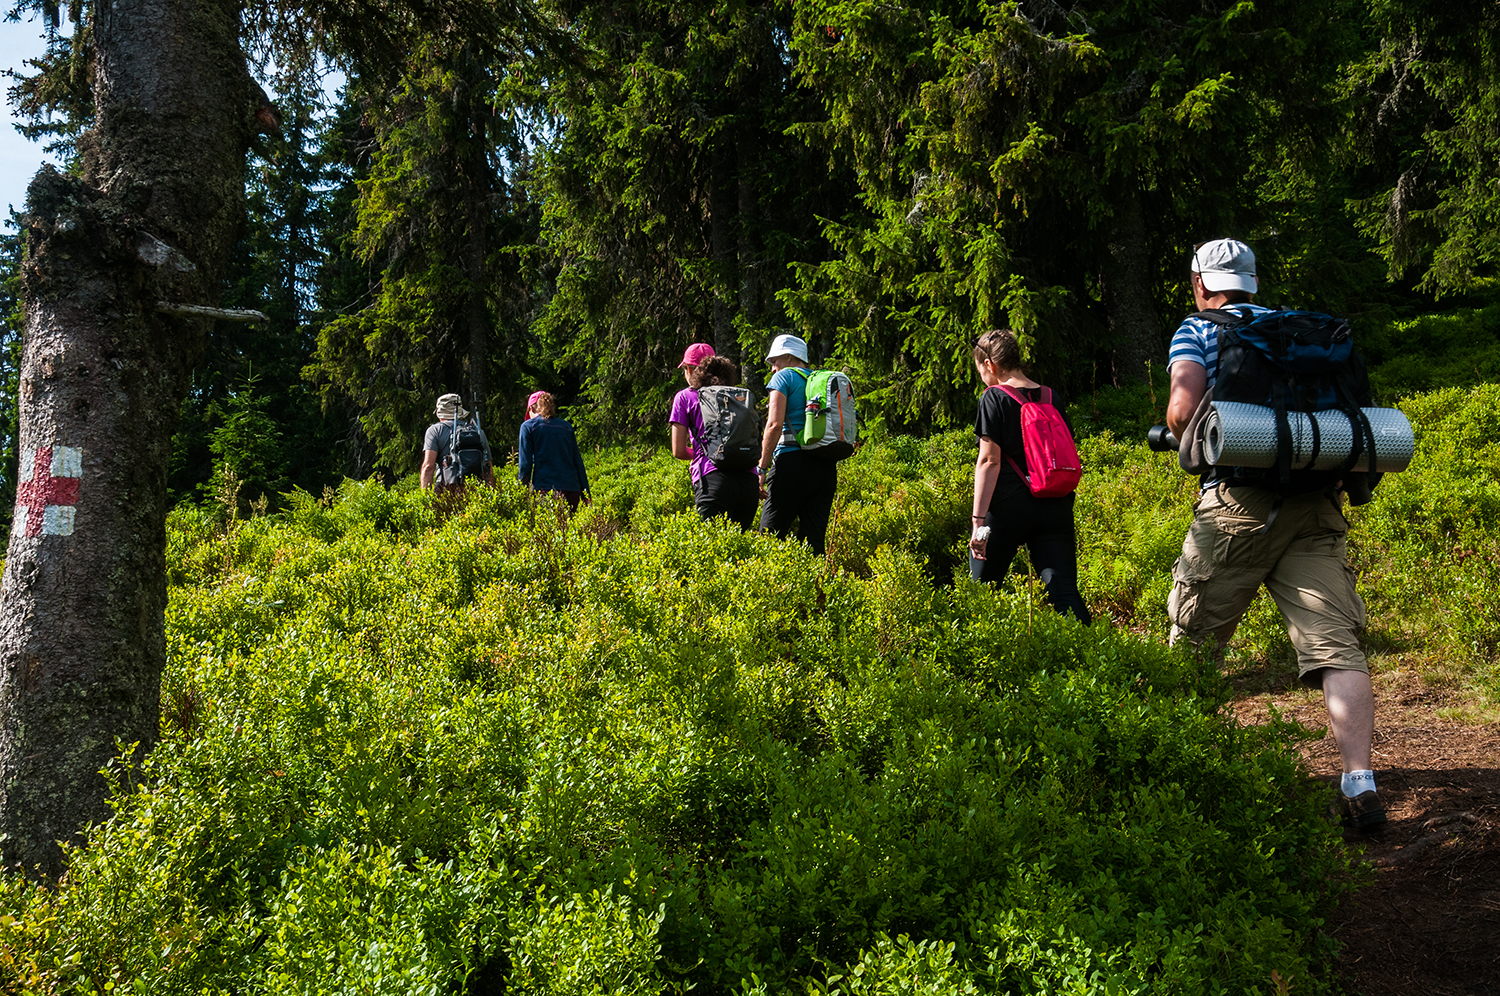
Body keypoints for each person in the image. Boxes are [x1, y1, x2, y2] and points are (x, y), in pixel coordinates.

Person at [1165, 237, 1385, 832]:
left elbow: (1183, 408)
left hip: (1240, 507)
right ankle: (1360, 783)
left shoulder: (1201, 330)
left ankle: (1173, 772)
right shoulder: (1298, 330)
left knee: (1193, 638)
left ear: (1200, 282)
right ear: (1253, 282)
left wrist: (1182, 430)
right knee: (1336, 646)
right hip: (1317, 504)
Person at [967, 329, 1091, 624]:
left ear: (990, 365)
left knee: (982, 591)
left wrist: (978, 522)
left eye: (980, 370)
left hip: (1009, 507)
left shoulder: (994, 397)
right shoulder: (1051, 396)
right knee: (1064, 592)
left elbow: (988, 460)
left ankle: (981, 662)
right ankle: (1091, 657)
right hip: (1055, 505)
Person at [756, 333, 838, 556]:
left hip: (791, 464)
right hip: (825, 467)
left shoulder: (784, 378)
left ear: (790, 357)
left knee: (769, 539)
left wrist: (761, 468)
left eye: (775, 361)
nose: (773, 368)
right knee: (814, 544)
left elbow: (773, 424)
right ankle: (817, 589)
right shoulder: (822, 380)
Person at [669, 343, 760, 530]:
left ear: (690, 369)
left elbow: (678, 450)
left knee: (716, 552)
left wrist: (701, 454)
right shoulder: (737, 396)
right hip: (749, 482)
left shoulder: (685, 397)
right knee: (742, 554)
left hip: (713, 481)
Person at [517, 390, 590, 511]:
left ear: (532, 409)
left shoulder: (528, 427)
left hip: (545, 489)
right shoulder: (566, 427)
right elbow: (578, 463)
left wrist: (520, 496)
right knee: (568, 527)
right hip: (572, 490)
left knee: (546, 528)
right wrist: (587, 496)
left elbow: (525, 465)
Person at [420, 392, 494, 491]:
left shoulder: (435, 431)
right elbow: (488, 466)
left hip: (446, 489)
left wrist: (424, 497)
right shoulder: (477, 431)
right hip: (474, 490)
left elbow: (428, 466)